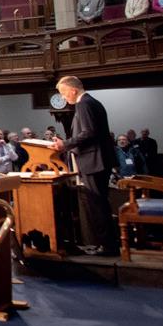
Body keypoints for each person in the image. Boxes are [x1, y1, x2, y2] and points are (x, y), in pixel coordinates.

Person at [52, 75, 117, 255]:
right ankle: (106, 244)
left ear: (73, 90)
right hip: (98, 159)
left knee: (97, 204)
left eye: (63, 93)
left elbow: (89, 132)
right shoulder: (91, 102)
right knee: (100, 203)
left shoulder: (84, 104)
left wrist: (65, 144)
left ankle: (107, 246)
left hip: (94, 161)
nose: (63, 97)